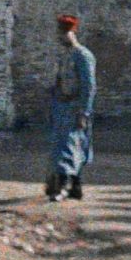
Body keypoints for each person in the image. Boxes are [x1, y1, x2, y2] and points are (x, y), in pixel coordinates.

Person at [46, 12, 96, 201]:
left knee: (70, 147)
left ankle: (64, 188)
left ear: (71, 34)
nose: (61, 38)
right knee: (62, 146)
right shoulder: (65, 56)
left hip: (75, 107)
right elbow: (58, 81)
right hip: (61, 106)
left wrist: (84, 111)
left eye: (63, 34)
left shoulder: (83, 56)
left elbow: (89, 86)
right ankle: (74, 187)